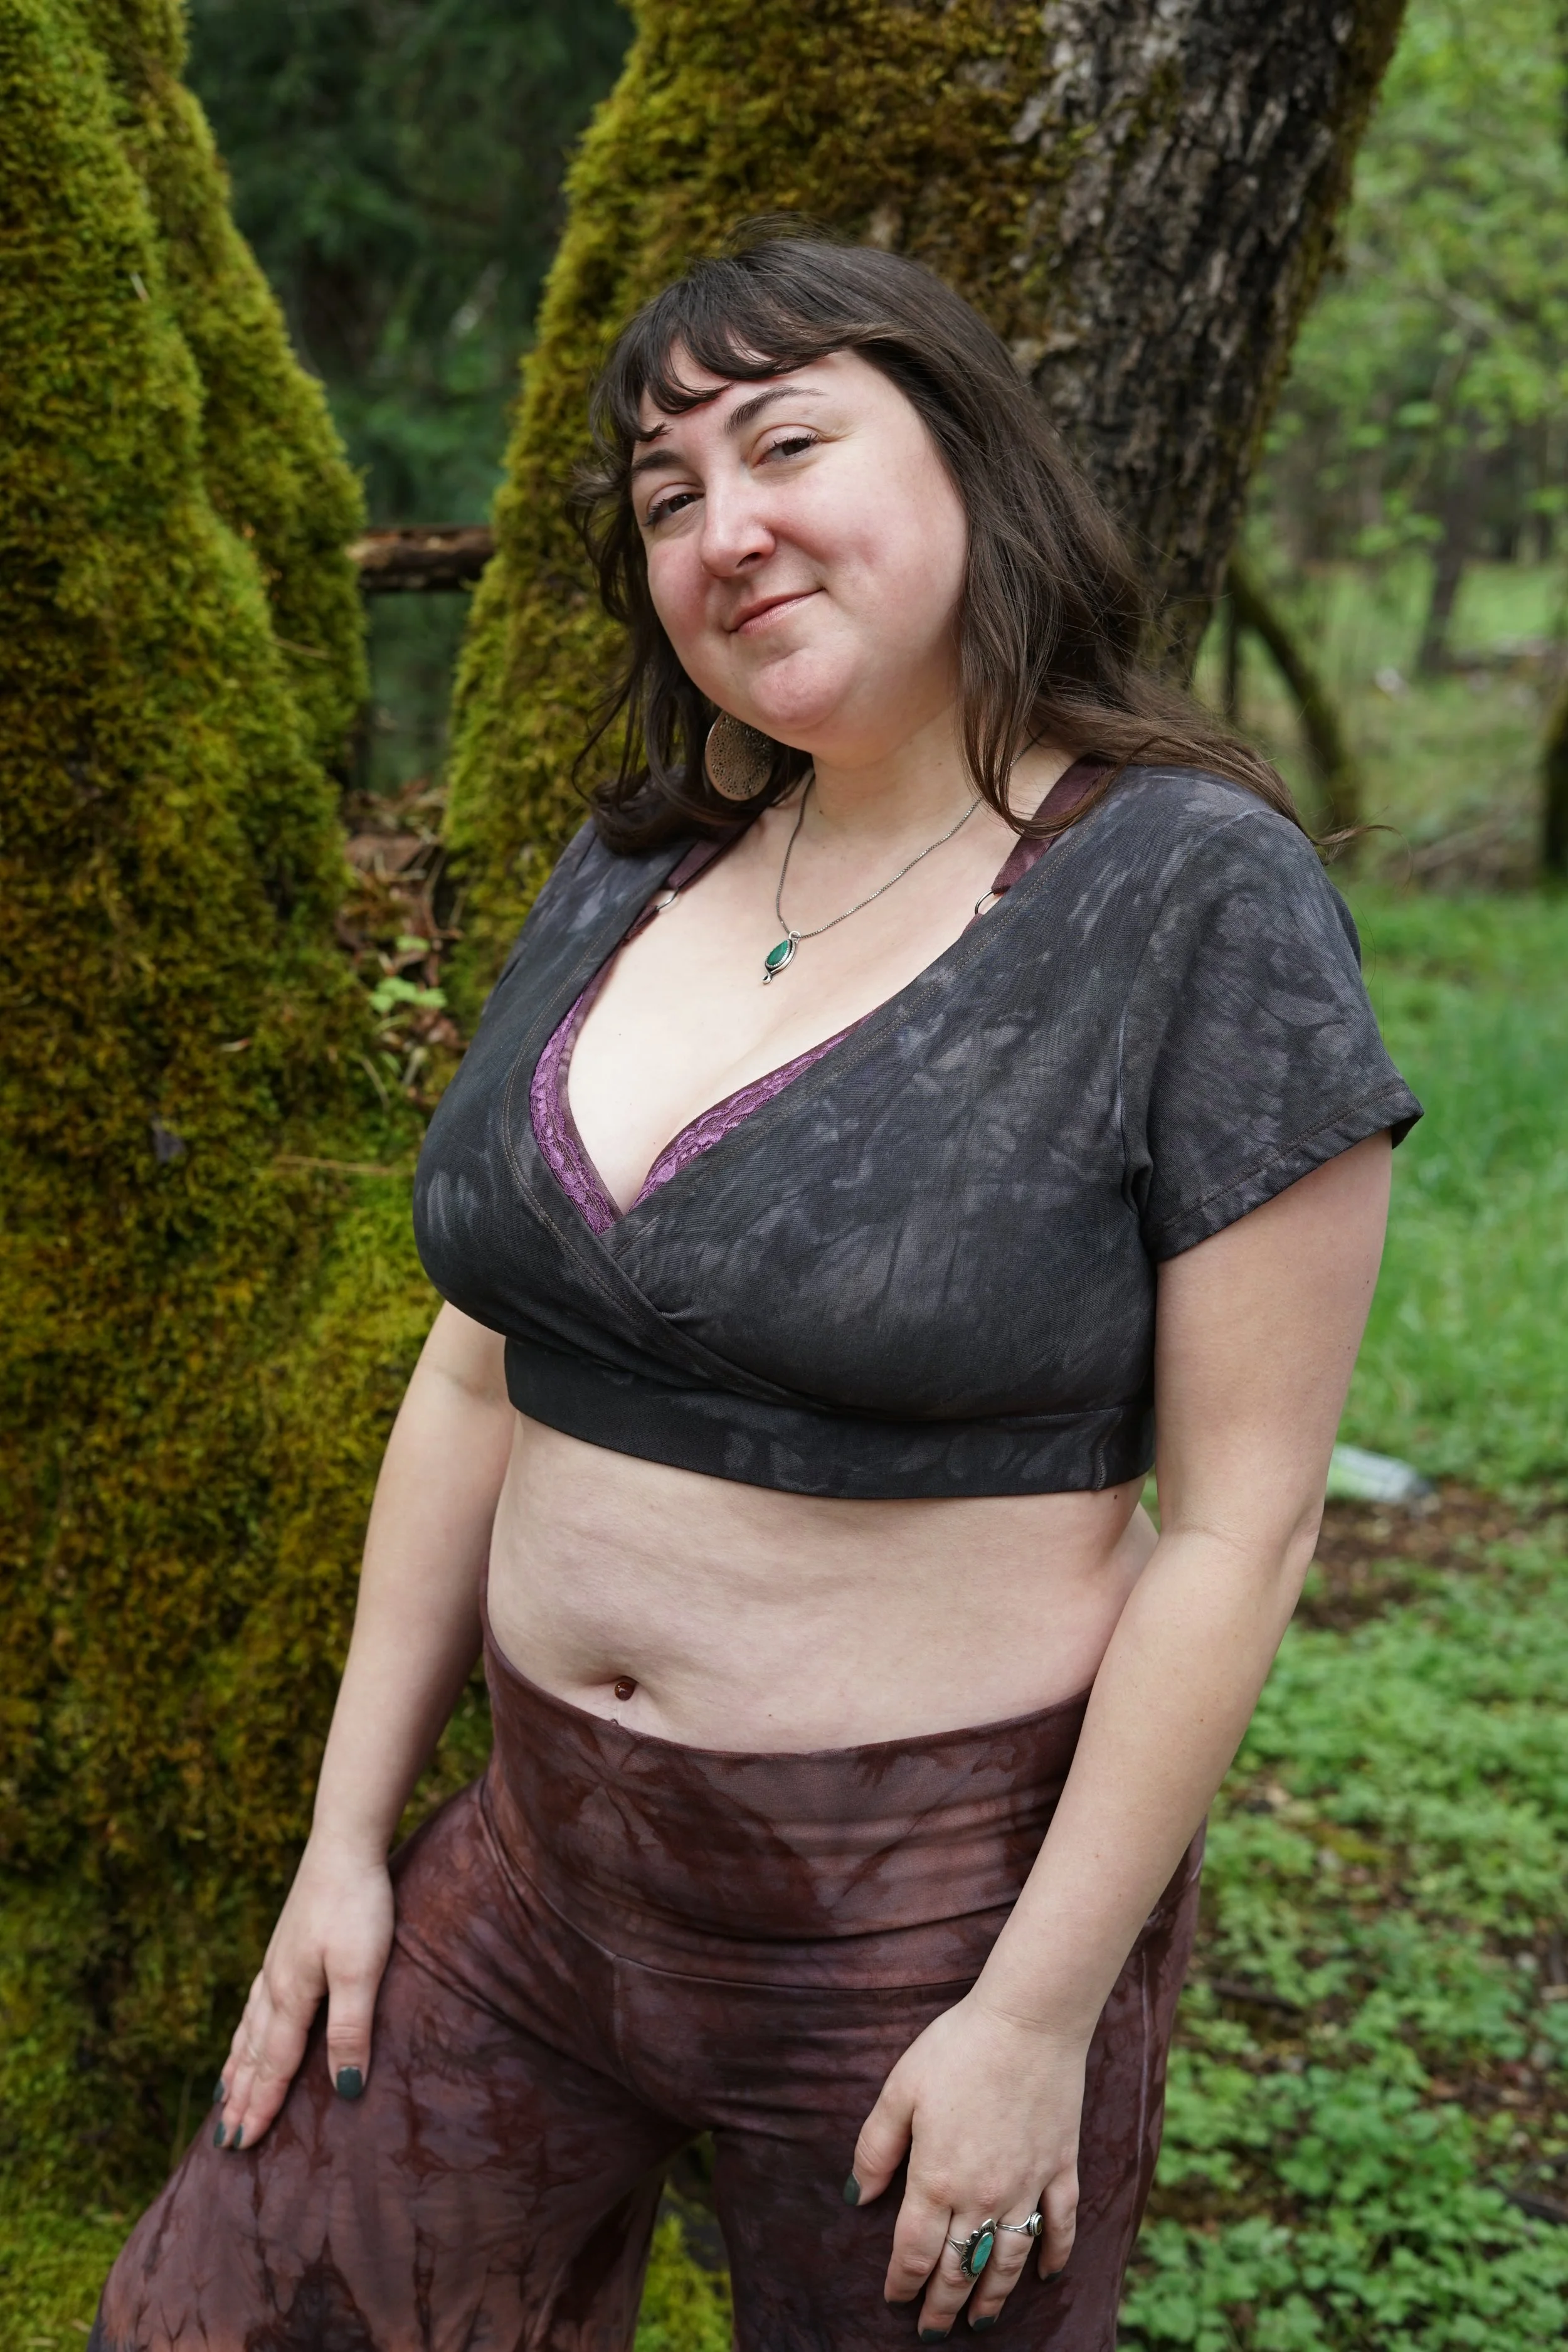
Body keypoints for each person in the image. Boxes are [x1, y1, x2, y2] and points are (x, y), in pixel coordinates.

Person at [93, 230, 1421, 2351]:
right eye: (665, 494)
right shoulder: (637, 866)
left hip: (915, 1921)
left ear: (972, 461)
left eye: (785, 440)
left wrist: (1031, 2014)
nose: (727, 526)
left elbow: (1242, 1528)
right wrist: (345, 1846)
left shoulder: (1185, 890)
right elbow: (472, 1383)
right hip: (527, 1873)